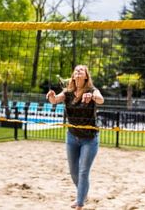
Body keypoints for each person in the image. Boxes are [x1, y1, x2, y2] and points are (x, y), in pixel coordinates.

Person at [46, 65, 104, 210]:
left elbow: (101, 100)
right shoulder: (68, 92)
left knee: (83, 171)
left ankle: (79, 203)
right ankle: (82, 193)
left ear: (86, 76)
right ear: (73, 76)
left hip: (89, 139)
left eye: (81, 70)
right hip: (72, 137)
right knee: (73, 171)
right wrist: (52, 97)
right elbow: (54, 101)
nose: (78, 71)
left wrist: (93, 97)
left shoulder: (92, 90)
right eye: (76, 70)